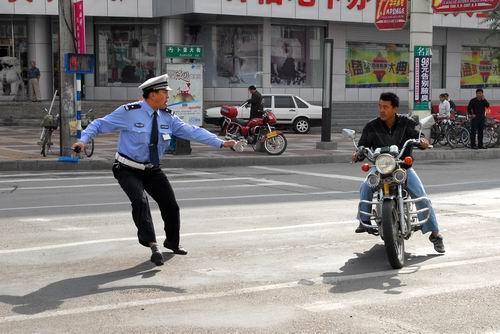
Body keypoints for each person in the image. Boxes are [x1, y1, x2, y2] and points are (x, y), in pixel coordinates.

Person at [72, 74, 238, 266]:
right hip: (127, 168)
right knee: (140, 201)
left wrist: (221, 143)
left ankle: (172, 243)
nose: (168, 96)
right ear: (152, 95)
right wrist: (83, 140)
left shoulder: (167, 116)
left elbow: (192, 131)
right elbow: (99, 124)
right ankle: (152, 244)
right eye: (164, 93)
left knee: (171, 205)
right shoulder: (129, 112)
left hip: (152, 169)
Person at [352, 92, 445, 253]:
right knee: (365, 187)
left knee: (421, 196)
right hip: (380, 167)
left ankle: (435, 234)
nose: (382, 110)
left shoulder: (406, 123)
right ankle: (364, 220)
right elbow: (363, 146)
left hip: (403, 167)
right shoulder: (371, 126)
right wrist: (358, 153)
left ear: (394, 108)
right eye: (380, 106)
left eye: (385, 107)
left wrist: (423, 141)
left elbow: (419, 136)